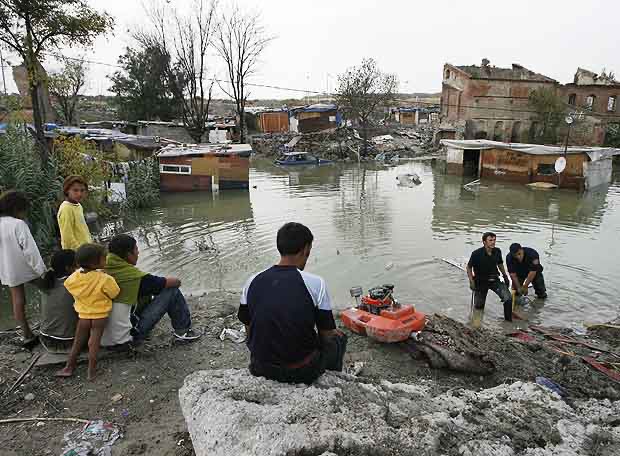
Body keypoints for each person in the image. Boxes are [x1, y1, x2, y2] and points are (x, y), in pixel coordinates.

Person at [238, 222, 347, 385]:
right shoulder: (316, 283)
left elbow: (249, 330)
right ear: (306, 249)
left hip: (260, 367)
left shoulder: (252, 281)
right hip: (301, 371)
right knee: (339, 338)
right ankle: (333, 378)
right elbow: (326, 335)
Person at [105, 234, 201, 343]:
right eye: (136, 249)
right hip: (126, 339)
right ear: (128, 254)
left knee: (147, 292)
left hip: (102, 338)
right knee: (171, 291)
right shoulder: (135, 278)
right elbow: (174, 282)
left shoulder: (101, 270)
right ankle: (183, 331)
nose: (138, 252)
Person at [57, 244, 120, 380]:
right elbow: (115, 293)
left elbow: (68, 286)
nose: (106, 261)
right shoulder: (105, 278)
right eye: (104, 259)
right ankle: (91, 372)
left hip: (83, 316)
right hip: (100, 316)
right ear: (95, 263)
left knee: (78, 342)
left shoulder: (73, 278)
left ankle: (69, 367)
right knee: (93, 343)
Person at [0, 190, 47, 347]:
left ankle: (27, 335)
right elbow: (30, 250)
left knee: (18, 301)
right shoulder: (18, 224)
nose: (24, 214)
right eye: (24, 210)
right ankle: (55, 323)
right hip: (27, 268)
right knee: (49, 288)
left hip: (8, 270)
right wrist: (42, 271)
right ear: (16, 209)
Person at [466, 232, 514, 322]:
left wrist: (505, 276)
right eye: (490, 240)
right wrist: (471, 281)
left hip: (494, 280)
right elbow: (469, 267)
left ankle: (508, 323)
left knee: (508, 298)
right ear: (484, 242)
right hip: (481, 281)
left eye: (494, 240)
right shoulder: (476, 253)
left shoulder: (497, 251)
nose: (493, 242)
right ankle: (477, 323)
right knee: (479, 307)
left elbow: (500, 264)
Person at [40, 250, 79, 351]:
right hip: (67, 340)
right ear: (68, 268)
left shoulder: (47, 281)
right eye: (77, 265)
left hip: (45, 337)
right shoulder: (73, 283)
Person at [57, 175, 92, 251]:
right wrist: (80, 251)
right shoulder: (66, 208)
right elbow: (67, 237)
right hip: (76, 254)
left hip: (85, 250)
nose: (79, 194)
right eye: (75, 190)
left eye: (82, 190)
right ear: (67, 190)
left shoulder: (78, 206)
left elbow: (83, 229)